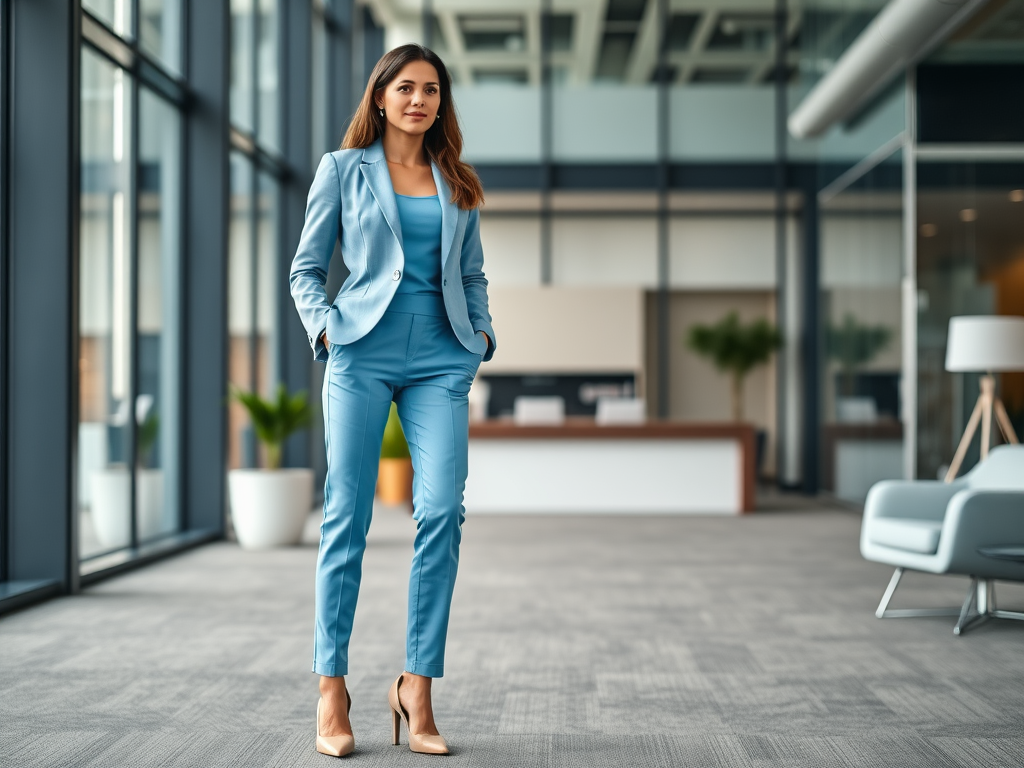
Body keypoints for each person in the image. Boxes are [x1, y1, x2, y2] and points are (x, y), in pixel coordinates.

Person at [289, 43, 494, 758]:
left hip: (441, 359)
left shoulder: (458, 181)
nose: (418, 100)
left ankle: (417, 685)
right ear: (380, 97)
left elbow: (471, 275)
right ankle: (331, 689)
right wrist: (325, 329)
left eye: (431, 89)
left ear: (441, 102)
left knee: (441, 510)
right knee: (345, 515)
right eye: (405, 87)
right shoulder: (342, 171)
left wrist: (482, 337)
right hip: (361, 353)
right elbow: (306, 269)